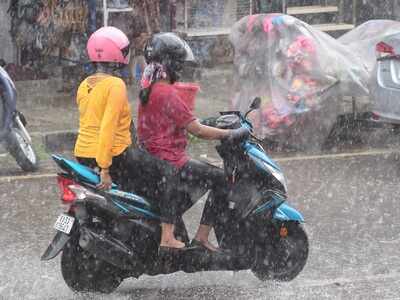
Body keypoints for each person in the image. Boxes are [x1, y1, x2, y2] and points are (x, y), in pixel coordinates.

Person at [137, 33, 249, 253]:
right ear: (169, 64)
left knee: (201, 177)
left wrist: (211, 123)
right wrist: (228, 135)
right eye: (178, 64)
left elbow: (181, 119)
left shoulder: (148, 90)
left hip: (154, 156)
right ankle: (201, 238)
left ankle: (182, 231)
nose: (180, 70)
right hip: (170, 159)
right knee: (220, 178)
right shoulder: (167, 93)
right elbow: (197, 130)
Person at [74, 26, 135, 190]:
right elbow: (108, 126)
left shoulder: (84, 84)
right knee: (157, 175)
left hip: (82, 153)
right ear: (116, 54)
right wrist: (105, 168)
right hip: (111, 155)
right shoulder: (116, 84)